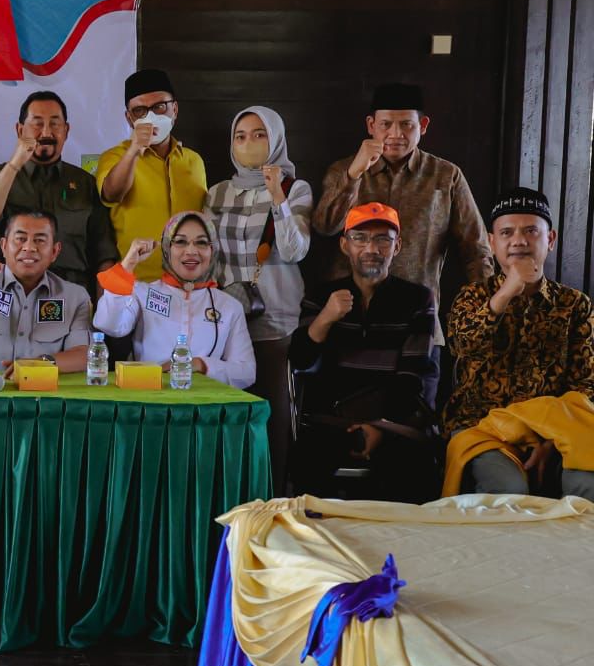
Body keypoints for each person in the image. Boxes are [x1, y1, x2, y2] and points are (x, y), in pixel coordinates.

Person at [443, 188, 594, 496]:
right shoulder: (472, 296)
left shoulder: (575, 304)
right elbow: (463, 346)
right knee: (507, 489)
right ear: (491, 242)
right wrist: (507, 292)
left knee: (585, 485)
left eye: (530, 231)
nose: (519, 241)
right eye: (507, 232)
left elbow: (585, 385)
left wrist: (551, 441)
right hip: (482, 428)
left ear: (550, 239)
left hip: (555, 429)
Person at [289, 202, 439, 501]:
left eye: (383, 239)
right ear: (345, 245)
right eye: (360, 238)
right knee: (307, 465)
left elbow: (412, 377)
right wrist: (326, 318)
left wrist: (379, 427)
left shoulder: (417, 299)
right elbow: (300, 363)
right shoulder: (322, 296)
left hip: (392, 421)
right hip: (331, 420)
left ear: (397, 247)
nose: (371, 248)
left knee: (411, 468)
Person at [203, 106, 314, 491]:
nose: (248, 143)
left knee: (272, 419)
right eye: (241, 136)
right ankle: (232, 498)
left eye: (259, 134)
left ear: (276, 139)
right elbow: (207, 256)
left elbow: (295, 250)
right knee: (230, 417)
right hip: (226, 322)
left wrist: (276, 194)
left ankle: (272, 497)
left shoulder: (295, 188)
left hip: (275, 322)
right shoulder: (217, 192)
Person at [312, 83, 491, 307]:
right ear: (371, 125)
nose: (396, 134)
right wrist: (353, 175)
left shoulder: (446, 176)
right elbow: (325, 226)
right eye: (386, 124)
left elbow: (476, 248)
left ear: (422, 125)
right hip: (351, 308)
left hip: (418, 309)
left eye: (406, 124)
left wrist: (487, 307)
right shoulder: (343, 169)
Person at [0, 91, 117, 292]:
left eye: (55, 124)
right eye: (37, 123)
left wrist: (104, 307)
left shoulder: (85, 183)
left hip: (71, 296)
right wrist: (15, 164)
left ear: (66, 130)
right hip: (10, 294)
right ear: (20, 130)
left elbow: (103, 255)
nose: (46, 133)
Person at [92, 212, 256, 389]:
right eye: (180, 242)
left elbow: (246, 372)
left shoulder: (229, 306)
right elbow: (108, 324)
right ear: (166, 248)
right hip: (149, 398)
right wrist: (127, 266)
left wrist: (200, 365)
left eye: (201, 242)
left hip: (204, 402)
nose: (191, 251)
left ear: (213, 250)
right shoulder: (142, 293)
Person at [0, 211, 93, 374]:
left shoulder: (75, 296)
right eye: (20, 238)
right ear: (4, 246)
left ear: (55, 251)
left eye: (40, 240)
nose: (29, 247)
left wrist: (41, 364)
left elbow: (84, 356)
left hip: (38, 387)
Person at [95, 69, 208, 282]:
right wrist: (134, 149)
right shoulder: (115, 157)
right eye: (140, 111)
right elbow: (112, 193)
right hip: (137, 284)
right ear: (129, 119)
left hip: (190, 283)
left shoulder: (194, 161)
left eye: (159, 107)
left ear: (174, 109)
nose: (151, 117)